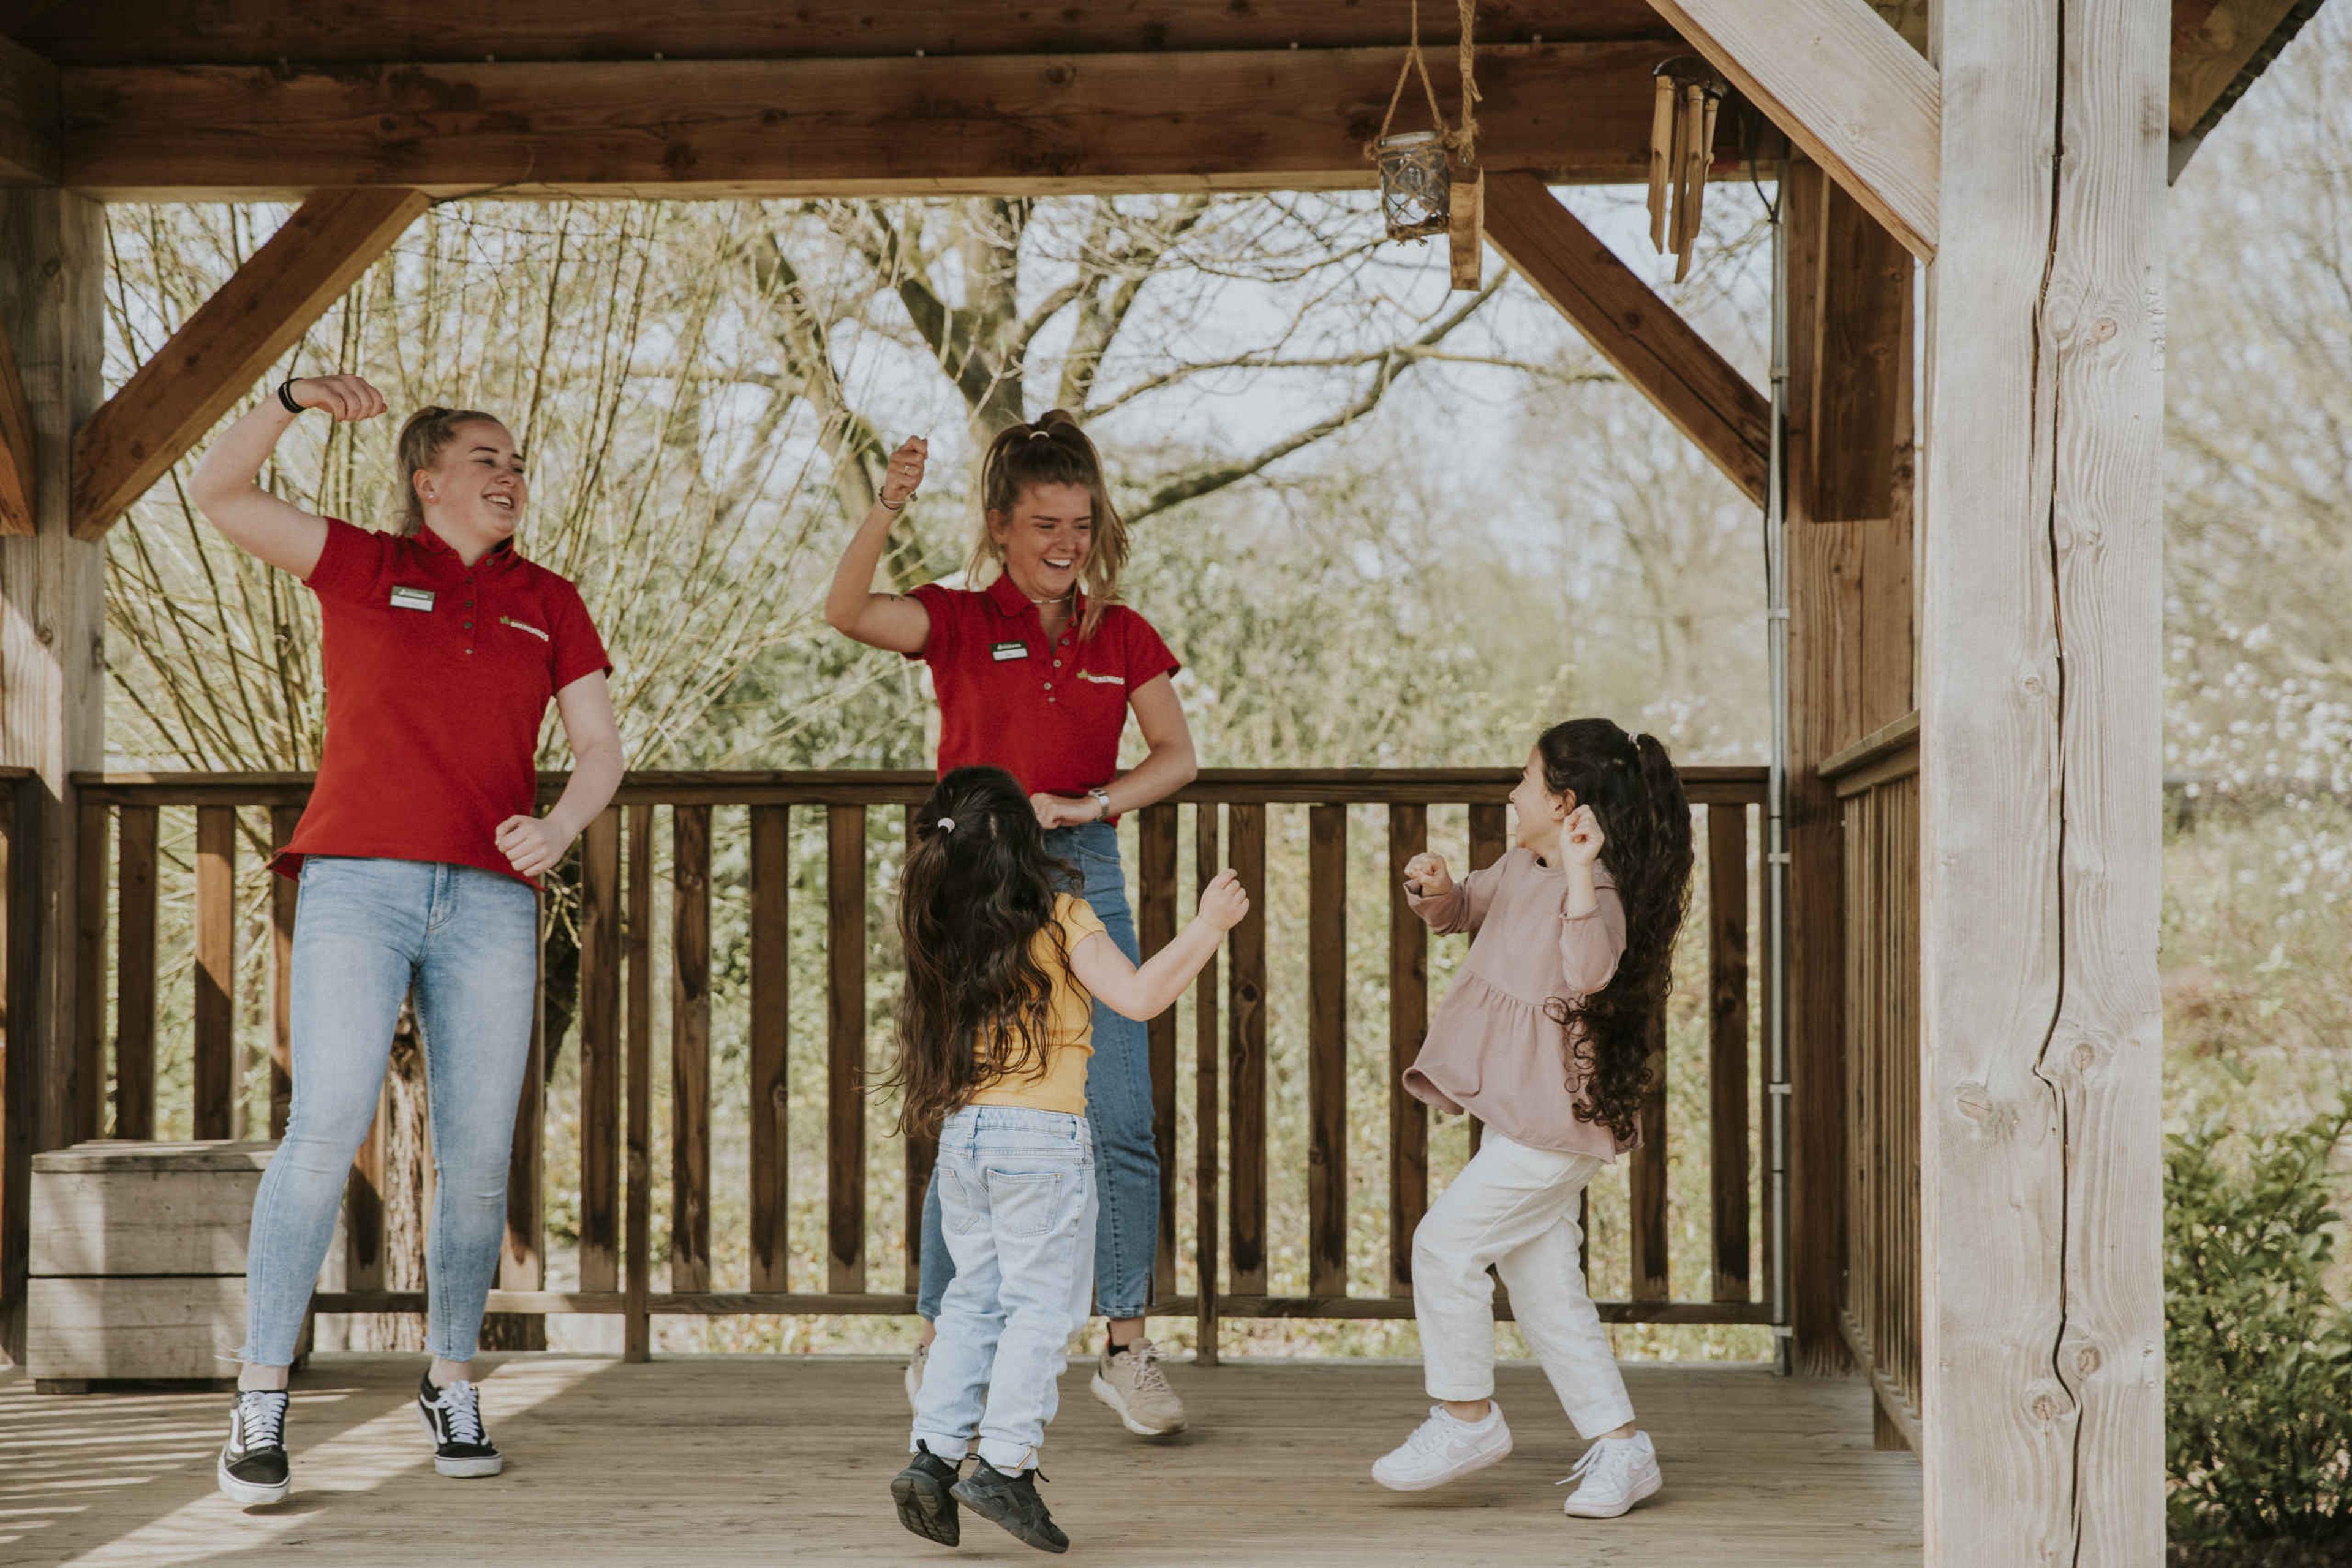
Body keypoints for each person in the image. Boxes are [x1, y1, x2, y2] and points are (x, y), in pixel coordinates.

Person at [191, 375, 622, 1506]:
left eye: (517, 457)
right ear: (428, 480)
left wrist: (562, 823)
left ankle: (449, 1377)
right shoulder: (364, 566)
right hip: (356, 885)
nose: (508, 472)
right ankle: (261, 1398)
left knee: (479, 1159)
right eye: (485, 457)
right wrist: (289, 400)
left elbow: (599, 750)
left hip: (488, 900)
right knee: (326, 1124)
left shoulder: (552, 600)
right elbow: (217, 490)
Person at [826, 411, 1199, 1436]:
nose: (1067, 542)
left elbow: (1176, 754)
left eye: (1081, 522)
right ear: (1000, 527)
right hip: (974, 883)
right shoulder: (951, 618)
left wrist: (1095, 805)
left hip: (1085, 867)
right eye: (1045, 523)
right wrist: (889, 502)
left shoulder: (1121, 634)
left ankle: (1126, 1345)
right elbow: (847, 607)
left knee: (1120, 1115)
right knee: (971, 1114)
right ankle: (946, 1336)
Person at [883, 766, 1246, 1553]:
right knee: (1041, 1314)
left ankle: (934, 1455)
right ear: (1025, 838)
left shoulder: (942, 921)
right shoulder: (1061, 915)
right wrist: (1209, 925)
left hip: (966, 1139)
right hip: (1041, 1144)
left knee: (972, 1304)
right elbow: (1141, 995)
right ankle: (1006, 1467)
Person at [1371, 718, 1692, 1521]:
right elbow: (1461, 911)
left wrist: (1582, 874)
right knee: (1544, 1283)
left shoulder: (1602, 893)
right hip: (1522, 1115)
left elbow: (1591, 975)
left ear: (1565, 802)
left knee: (1445, 1248)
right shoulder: (1519, 864)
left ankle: (1465, 1418)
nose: (1512, 792)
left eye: (1525, 779)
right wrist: (1437, 887)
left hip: (1554, 1126)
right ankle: (1623, 1449)